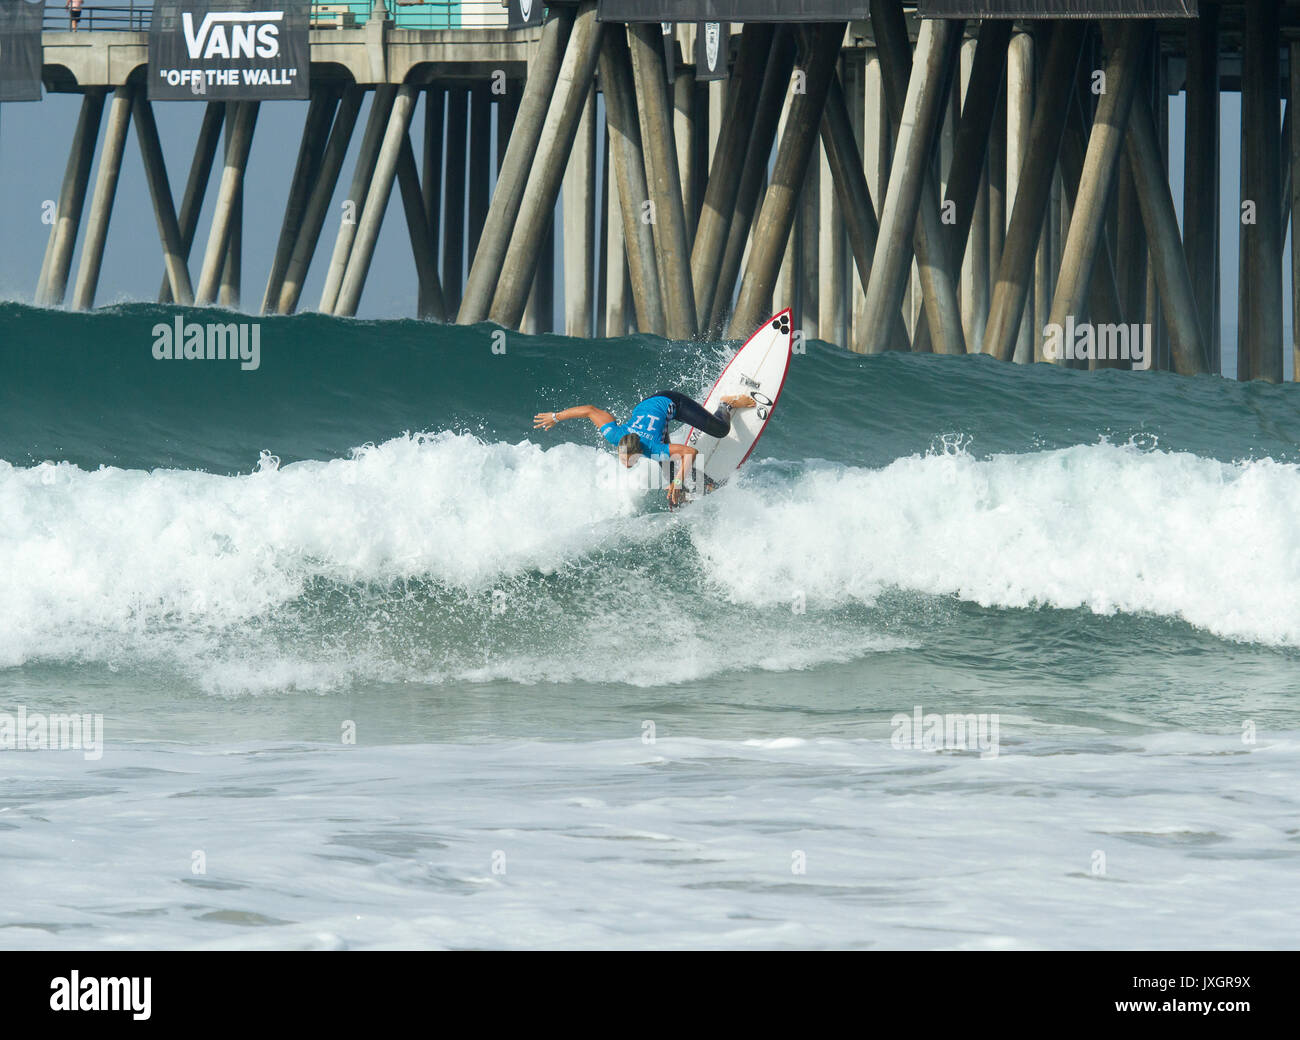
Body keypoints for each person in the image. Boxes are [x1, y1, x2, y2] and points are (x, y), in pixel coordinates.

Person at [534, 390, 756, 506]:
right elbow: (590, 410)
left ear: (639, 452)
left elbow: (691, 452)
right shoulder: (614, 435)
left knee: (719, 431)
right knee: (669, 468)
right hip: (649, 407)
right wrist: (556, 416)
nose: (626, 464)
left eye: (629, 461)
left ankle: (725, 404)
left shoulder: (652, 448)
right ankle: (693, 489)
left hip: (671, 402)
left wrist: (678, 482)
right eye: (623, 459)